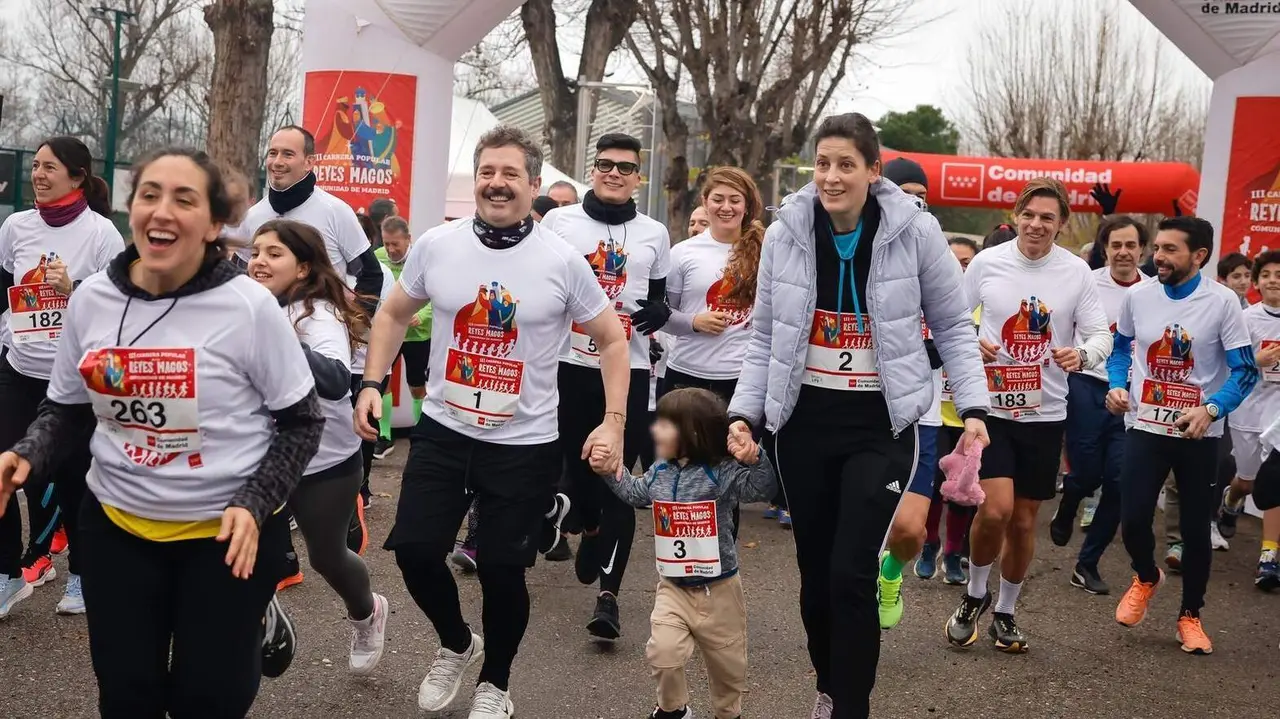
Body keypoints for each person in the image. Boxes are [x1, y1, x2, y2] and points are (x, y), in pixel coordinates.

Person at [0, 147, 324, 715]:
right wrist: (26, 454)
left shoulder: (248, 307)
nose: (163, 211)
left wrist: (255, 501)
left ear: (215, 223)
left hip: (226, 538)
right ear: (133, 210)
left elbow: (301, 421)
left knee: (207, 699)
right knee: (128, 698)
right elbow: (68, 409)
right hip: (117, 530)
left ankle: (252, 622)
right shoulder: (92, 299)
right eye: (150, 194)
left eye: (184, 198)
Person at [353, 124, 629, 718]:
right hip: (446, 430)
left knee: (504, 570)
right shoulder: (438, 244)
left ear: (533, 185)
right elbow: (394, 314)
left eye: (510, 174)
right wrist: (372, 384)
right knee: (415, 553)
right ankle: (457, 642)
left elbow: (611, 339)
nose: (496, 184)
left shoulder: (561, 259)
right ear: (475, 180)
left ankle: (496, 682)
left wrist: (613, 422)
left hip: (524, 443)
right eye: (487, 173)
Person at [727, 112, 990, 719]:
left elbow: (952, 326)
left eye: (847, 164)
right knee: (816, 574)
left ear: (874, 171)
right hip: (805, 423)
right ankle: (828, 687)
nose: (832, 176)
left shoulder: (917, 233)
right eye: (823, 163)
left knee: (850, 571)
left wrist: (973, 407)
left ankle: (851, 706)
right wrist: (746, 414)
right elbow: (765, 335)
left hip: (881, 425)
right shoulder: (788, 230)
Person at [948, 177, 1111, 654]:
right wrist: (972, 337)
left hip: (1046, 411)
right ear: (1016, 215)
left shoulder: (1076, 272)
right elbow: (952, 317)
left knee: (1022, 522)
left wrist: (1082, 355)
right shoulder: (987, 262)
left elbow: (1101, 335)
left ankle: (1005, 609)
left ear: (1061, 225)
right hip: (992, 408)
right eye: (1029, 215)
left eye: (1047, 218)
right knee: (994, 509)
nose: (1036, 224)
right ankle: (974, 594)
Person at [540, 132, 673, 643]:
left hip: (630, 371)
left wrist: (659, 311)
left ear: (638, 176)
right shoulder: (559, 221)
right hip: (567, 364)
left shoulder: (654, 232)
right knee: (572, 468)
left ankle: (609, 597)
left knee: (618, 477)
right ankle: (588, 526)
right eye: (605, 165)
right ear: (592, 170)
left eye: (625, 167)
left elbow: (659, 296)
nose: (614, 173)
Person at [1108, 215, 1258, 655]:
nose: (1159, 257)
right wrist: (1117, 384)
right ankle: (1146, 575)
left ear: (1199, 256)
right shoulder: (1139, 295)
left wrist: (1210, 410)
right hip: (1146, 426)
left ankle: (1190, 615)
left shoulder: (1224, 302)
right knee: (1133, 518)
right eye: (1157, 248)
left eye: (1170, 250)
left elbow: (1245, 370)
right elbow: (1121, 349)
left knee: (1194, 531)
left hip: (1199, 435)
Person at [248, 219, 389, 674]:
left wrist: (284, 343)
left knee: (326, 557)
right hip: (261, 457)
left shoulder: (317, 313)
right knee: (241, 547)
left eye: (274, 254)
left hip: (323, 461)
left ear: (304, 267)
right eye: (255, 252)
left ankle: (367, 613)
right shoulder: (246, 308)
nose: (259, 262)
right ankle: (254, 612)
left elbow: (331, 381)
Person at [588, 388, 775, 719]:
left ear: (693, 434)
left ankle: (728, 713)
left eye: (665, 425)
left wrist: (755, 458)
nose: (655, 430)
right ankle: (673, 710)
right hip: (672, 587)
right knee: (663, 653)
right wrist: (610, 471)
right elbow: (635, 493)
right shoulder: (660, 470)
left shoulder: (721, 472)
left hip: (720, 590)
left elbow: (762, 489)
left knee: (729, 670)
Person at [0, 136, 124, 618]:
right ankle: (7, 575)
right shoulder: (15, 227)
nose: (38, 174)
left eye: (49, 167)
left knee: (74, 478)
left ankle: (81, 575)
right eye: (34, 166)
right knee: (6, 469)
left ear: (77, 177)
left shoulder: (101, 235)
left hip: (73, 380)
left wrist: (73, 290)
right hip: (18, 368)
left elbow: (118, 308)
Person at [661, 167, 773, 530]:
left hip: (740, 383)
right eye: (718, 199)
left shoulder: (767, 251)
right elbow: (664, 315)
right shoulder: (683, 253)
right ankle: (678, 566)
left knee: (727, 480)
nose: (726, 207)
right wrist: (694, 321)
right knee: (676, 473)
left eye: (734, 200)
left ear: (747, 205)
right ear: (705, 203)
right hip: (685, 378)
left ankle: (723, 565)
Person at [1048, 216, 1153, 595]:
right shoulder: (1088, 283)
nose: (1123, 252)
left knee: (1120, 482)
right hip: (1087, 387)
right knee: (1090, 473)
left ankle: (1087, 564)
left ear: (1142, 249)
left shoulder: (1153, 292)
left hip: (1132, 397)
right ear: (1104, 249)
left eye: (1131, 245)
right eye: (1115, 245)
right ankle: (1072, 496)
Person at [878, 154, 948, 629]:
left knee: (908, 531)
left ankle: (890, 572)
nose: (915, 203)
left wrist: (936, 346)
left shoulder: (937, 251)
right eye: (906, 194)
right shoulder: (865, 247)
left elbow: (959, 326)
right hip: (864, 410)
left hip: (921, 414)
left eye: (922, 196)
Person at [241, 125, 384, 311]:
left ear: (309, 162)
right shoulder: (252, 216)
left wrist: (355, 322)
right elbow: (239, 276)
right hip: (266, 329)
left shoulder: (336, 211)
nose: (277, 162)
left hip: (321, 330)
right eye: (272, 153)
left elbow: (370, 274)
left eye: (288, 154)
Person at [916, 236, 981, 587]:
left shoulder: (982, 305)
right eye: (953, 260)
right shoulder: (922, 298)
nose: (959, 268)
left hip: (967, 415)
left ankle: (954, 553)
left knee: (963, 489)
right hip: (933, 411)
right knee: (934, 486)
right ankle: (929, 544)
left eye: (967, 262)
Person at [1218, 250, 1280, 588]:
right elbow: (1230, 362)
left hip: (1279, 413)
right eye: (1267, 274)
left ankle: (1268, 557)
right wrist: (1257, 359)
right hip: (1250, 409)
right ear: (1256, 282)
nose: (1274, 280)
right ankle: (1232, 497)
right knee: (1250, 481)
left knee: (1276, 483)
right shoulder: (1247, 319)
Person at [372, 215, 431, 458]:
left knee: (417, 387)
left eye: (396, 243)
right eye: (387, 243)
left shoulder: (423, 257)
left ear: (409, 239)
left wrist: (422, 316)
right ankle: (384, 436)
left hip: (418, 335)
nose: (391, 249)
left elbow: (437, 293)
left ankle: (420, 436)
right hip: (390, 333)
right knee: (383, 384)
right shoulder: (377, 257)